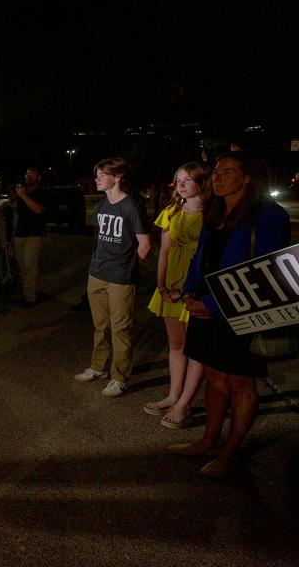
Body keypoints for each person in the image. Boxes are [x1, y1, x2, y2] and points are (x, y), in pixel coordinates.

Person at [168, 152, 289, 478]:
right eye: (216, 172)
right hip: (204, 307)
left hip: (240, 311)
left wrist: (214, 305)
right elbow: (201, 257)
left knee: (239, 381)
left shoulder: (269, 216)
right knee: (214, 377)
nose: (216, 178)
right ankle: (210, 440)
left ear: (248, 177)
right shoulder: (216, 211)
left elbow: (265, 272)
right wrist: (190, 293)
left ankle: (230, 453)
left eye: (226, 172)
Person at [74, 158, 151, 397]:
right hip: (96, 274)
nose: (96, 178)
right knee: (101, 326)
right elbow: (99, 240)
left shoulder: (131, 205)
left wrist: (127, 268)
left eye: (101, 174)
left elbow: (145, 245)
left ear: (117, 177)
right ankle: (98, 367)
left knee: (120, 328)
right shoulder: (100, 206)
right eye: (96, 174)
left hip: (120, 278)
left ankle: (120, 377)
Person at [142, 163, 207, 428]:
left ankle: (185, 404)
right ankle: (173, 395)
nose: (180, 185)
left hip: (198, 282)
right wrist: (161, 286)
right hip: (172, 283)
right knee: (176, 343)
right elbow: (165, 253)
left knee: (198, 346)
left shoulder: (213, 214)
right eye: (178, 180)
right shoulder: (171, 212)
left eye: (188, 180)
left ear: (202, 183)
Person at [13, 167, 47, 308]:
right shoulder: (22, 193)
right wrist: (13, 236)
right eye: (27, 174)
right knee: (21, 266)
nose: (28, 177)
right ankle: (26, 293)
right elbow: (18, 215)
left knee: (29, 266)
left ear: (38, 178)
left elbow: (38, 209)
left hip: (34, 235)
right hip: (20, 234)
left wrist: (23, 196)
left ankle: (30, 298)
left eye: (32, 175)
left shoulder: (41, 193)